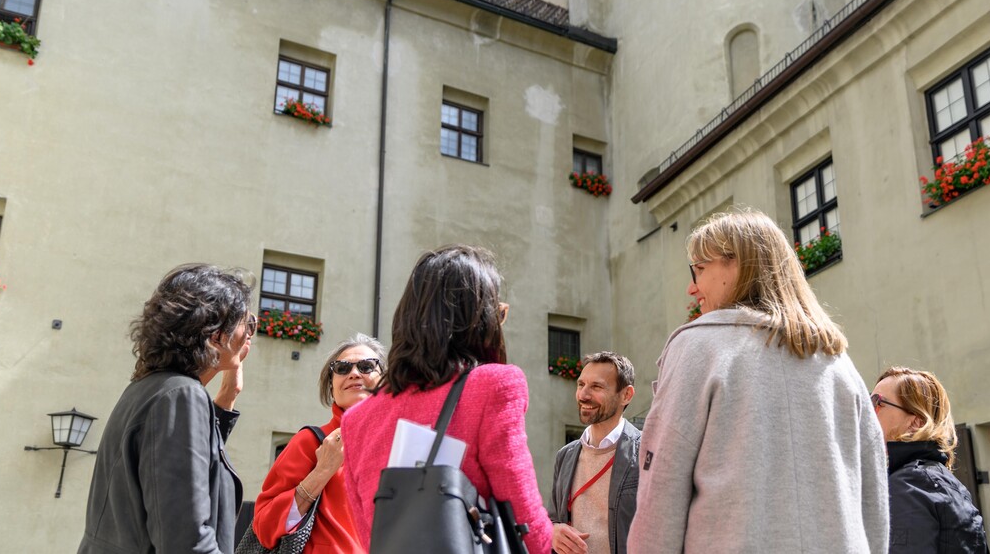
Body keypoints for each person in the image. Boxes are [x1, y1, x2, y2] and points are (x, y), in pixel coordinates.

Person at [627, 209, 888, 554]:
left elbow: (661, 491)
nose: (692, 287)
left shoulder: (698, 347)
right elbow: (874, 500)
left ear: (737, 264)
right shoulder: (840, 363)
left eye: (699, 269)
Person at [342, 244, 553, 554]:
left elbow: (368, 535)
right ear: (478, 320)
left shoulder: (357, 419)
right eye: (499, 313)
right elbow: (524, 518)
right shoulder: (493, 386)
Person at [79, 263, 254, 554]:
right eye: (245, 324)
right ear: (214, 335)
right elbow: (187, 541)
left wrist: (226, 397)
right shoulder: (181, 397)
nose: (249, 335)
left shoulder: (151, 388)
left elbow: (189, 470)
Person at [251, 334, 386, 553]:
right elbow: (264, 528)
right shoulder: (310, 441)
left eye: (366, 366)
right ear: (331, 387)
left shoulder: (400, 442)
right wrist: (321, 472)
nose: (354, 373)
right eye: (342, 368)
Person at [871, 366, 987, 553]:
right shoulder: (937, 480)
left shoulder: (909, 484)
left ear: (916, 422)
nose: (869, 412)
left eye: (877, 402)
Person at [551, 351, 641, 554]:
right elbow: (553, 518)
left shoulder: (647, 452)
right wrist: (553, 531)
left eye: (597, 387)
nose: (583, 395)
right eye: (581, 385)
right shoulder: (565, 456)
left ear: (626, 395)